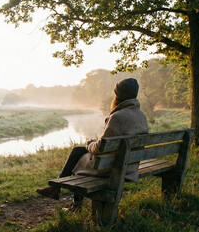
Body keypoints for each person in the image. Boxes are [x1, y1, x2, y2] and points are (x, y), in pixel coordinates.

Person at [36, 78, 149, 210]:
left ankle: (67, 198)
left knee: (78, 157)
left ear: (118, 96)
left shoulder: (117, 117)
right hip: (129, 165)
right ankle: (56, 189)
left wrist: (90, 144)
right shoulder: (141, 115)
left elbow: (101, 148)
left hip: (112, 168)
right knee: (78, 151)